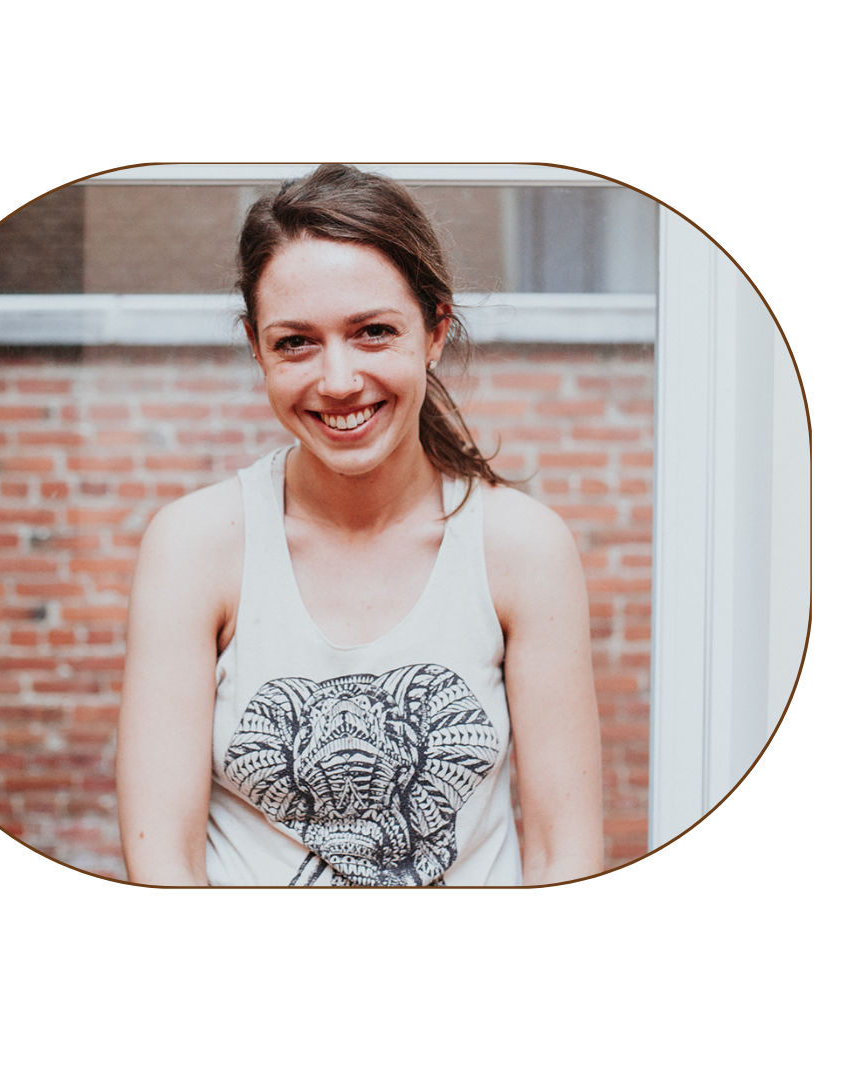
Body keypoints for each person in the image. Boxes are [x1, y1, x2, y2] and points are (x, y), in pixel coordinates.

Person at [117, 164, 603, 887]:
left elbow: (567, 855)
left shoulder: (521, 549)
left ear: (435, 330)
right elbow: (163, 861)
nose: (338, 380)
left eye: (373, 332)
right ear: (256, 346)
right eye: (295, 343)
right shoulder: (194, 549)